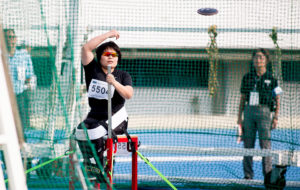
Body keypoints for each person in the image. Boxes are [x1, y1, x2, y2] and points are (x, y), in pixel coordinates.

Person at [74, 30, 133, 183]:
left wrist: (114, 82)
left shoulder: (123, 75)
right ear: (100, 57)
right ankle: (91, 166)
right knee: (80, 131)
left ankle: (103, 166)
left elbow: (128, 94)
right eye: (107, 54)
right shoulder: (92, 69)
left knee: (95, 132)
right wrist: (108, 35)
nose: (110, 57)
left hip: (117, 116)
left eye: (114, 55)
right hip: (94, 115)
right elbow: (86, 49)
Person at [237, 48, 282, 180]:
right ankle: (248, 175)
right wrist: (239, 117)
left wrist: (275, 117)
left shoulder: (272, 79)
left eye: (261, 57)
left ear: (266, 60)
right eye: (256, 57)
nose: (258, 60)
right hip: (249, 112)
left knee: (265, 146)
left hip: (265, 113)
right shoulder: (247, 77)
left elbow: (277, 99)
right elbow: (242, 98)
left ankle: (267, 176)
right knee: (248, 146)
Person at [4, 29, 36, 131]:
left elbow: (29, 75)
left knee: (21, 121)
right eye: (8, 37)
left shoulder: (23, 56)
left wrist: (27, 85)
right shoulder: (2, 56)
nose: (11, 40)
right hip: (4, 95)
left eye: (13, 37)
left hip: (20, 93)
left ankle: (21, 142)